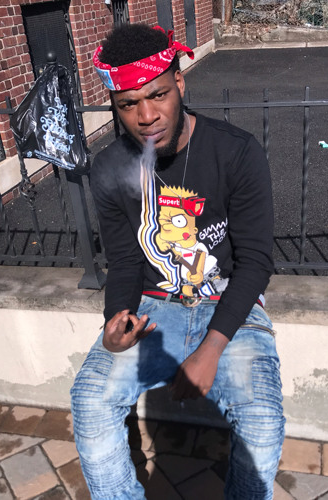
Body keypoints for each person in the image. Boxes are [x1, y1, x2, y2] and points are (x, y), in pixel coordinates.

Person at [70, 23, 285, 500]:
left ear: (180, 84)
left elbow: (255, 263)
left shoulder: (236, 151)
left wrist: (211, 350)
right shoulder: (109, 168)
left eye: (158, 95)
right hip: (152, 307)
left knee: (262, 425)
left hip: (228, 304)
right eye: (128, 104)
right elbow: (124, 261)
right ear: (115, 106)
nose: (146, 116)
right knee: (89, 401)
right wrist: (114, 320)